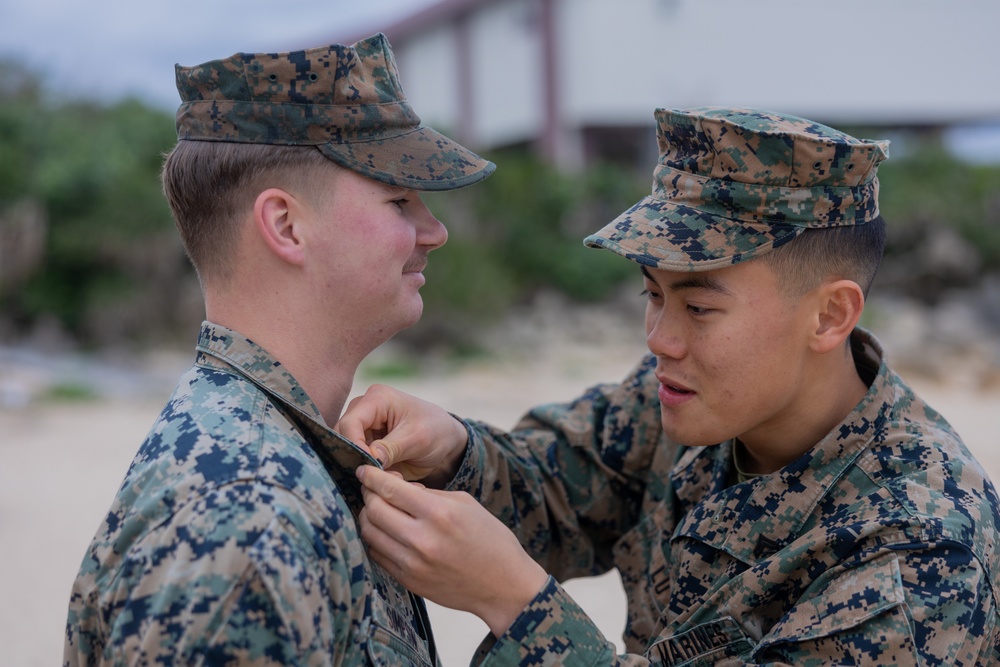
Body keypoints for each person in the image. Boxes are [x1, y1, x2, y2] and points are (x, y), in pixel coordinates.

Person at [338, 107, 1000, 665]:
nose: (660, 337)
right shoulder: (691, 395)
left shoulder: (917, 551)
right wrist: (454, 450)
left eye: (700, 307)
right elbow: (559, 485)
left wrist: (517, 604)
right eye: (652, 294)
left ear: (829, 315)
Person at [63, 33, 494, 666]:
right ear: (287, 226)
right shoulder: (246, 522)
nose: (435, 230)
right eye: (398, 198)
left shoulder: (270, 463)